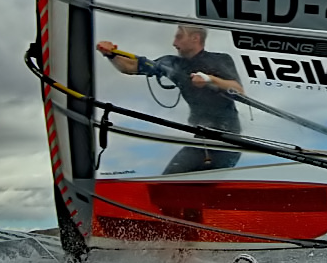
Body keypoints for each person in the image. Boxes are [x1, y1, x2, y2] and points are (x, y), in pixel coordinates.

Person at [97, 26, 244, 174]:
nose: (174, 43)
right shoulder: (173, 64)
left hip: (228, 140)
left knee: (207, 187)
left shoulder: (220, 59)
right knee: (167, 180)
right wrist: (111, 54)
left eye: (179, 37)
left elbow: (237, 89)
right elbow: (131, 67)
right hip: (201, 139)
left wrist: (209, 79)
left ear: (195, 38)